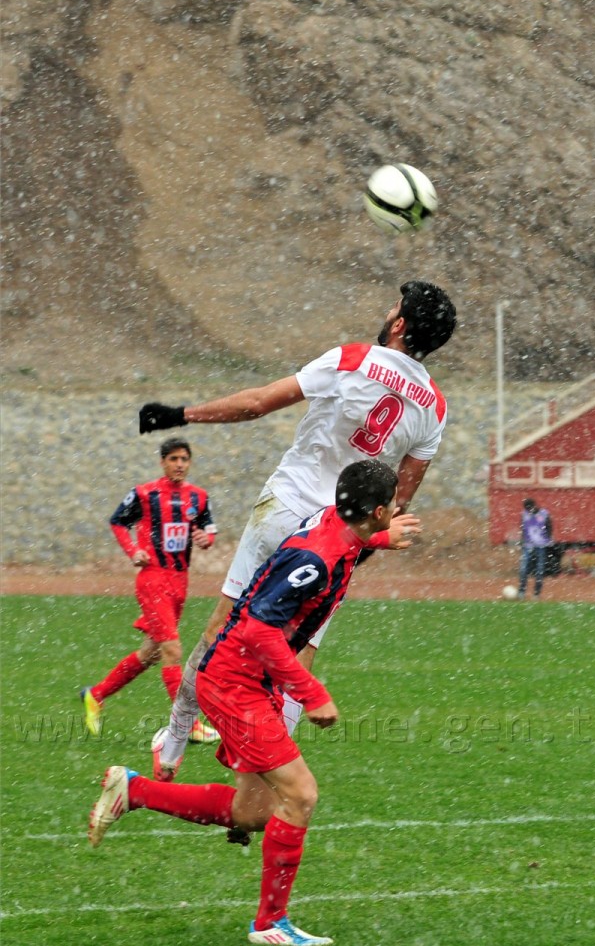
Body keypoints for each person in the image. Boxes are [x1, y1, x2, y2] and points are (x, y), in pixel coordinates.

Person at [88, 461, 417, 946]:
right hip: (235, 683)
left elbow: (344, 540)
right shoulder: (318, 559)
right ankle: (268, 926)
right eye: (393, 504)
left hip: (242, 677)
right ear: (380, 509)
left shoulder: (335, 524)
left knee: (253, 812)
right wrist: (312, 692)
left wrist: (381, 539)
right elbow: (258, 630)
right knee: (301, 795)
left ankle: (133, 791)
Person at [138, 279, 457, 779]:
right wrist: (356, 549)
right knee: (296, 653)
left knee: (222, 629)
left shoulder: (354, 358)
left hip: (285, 506)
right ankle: (264, 775)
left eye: (395, 306)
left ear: (398, 324)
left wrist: (182, 414)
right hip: (337, 534)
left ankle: (175, 742)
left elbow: (258, 403)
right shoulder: (434, 407)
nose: (389, 309)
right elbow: (396, 503)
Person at [81, 438, 218, 742]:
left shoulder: (199, 496)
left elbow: (208, 529)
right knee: (172, 650)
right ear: (162, 462)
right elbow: (118, 522)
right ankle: (187, 724)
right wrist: (132, 551)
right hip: (153, 579)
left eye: (184, 459)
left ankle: (96, 694)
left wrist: (206, 539)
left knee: (151, 653)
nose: (179, 464)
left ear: (190, 462)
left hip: (180, 581)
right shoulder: (145, 494)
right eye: (173, 459)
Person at [518, 497, 553, 599]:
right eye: (527, 509)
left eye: (530, 508)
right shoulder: (524, 515)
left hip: (541, 546)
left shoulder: (544, 514)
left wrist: (547, 539)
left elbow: (549, 526)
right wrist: (523, 541)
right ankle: (521, 591)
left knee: (540, 570)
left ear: (534, 505)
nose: (529, 511)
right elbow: (523, 528)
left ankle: (536, 593)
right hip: (528, 545)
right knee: (523, 569)